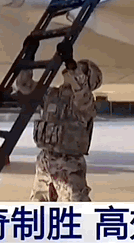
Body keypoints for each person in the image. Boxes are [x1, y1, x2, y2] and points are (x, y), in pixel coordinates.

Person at [14, 59, 102, 202]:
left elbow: (82, 94)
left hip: (69, 166)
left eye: (81, 70)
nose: (74, 71)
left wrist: (75, 74)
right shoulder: (52, 94)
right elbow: (24, 85)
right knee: (38, 204)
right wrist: (28, 62)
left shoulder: (85, 103)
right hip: (45, 161)